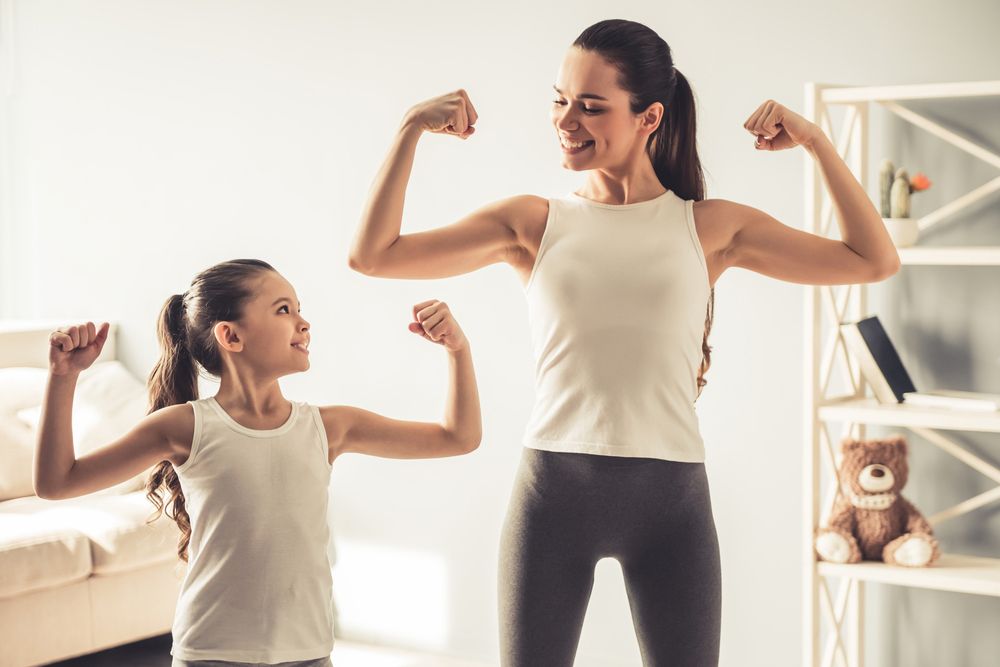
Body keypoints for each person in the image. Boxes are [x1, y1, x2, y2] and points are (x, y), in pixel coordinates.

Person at [348, 18, 899, 667]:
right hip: (551, 496)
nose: (566, 119)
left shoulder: (709, 226)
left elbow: (872, 259)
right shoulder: (531, 223)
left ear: (649, 117)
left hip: (672, 508)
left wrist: (813, 140)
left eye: (590, 105)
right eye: (560, 99)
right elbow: (373, 255)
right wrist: (411, 126)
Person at [32, 258, 483, 667]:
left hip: (307, 653)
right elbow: (57, 482)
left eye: (299, 309)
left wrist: (457, 350)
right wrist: (63, 378)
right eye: (284, 310)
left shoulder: (331, 427)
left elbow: (458, 437)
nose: (305, 323)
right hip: (211, 653)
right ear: (231, 335)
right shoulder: (185, 427)